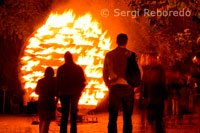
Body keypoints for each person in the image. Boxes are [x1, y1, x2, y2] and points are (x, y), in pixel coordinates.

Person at [103, 33, 141, 133]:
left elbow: (105, 72)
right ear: (126, 42)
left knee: (112, 118)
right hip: (128, 88)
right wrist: (134, 85)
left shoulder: (109, 55)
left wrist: (108, 84)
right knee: (127, 118)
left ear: (116, 42)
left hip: (114, 88)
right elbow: (138, 71)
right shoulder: (132, 55)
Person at [57, 51, 86, 133]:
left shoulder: (61, 69)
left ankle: (63, 131)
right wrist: (79, 91)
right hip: (75, 94)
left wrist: (57, 94)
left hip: (63, 94)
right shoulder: (78, 68)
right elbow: (83, 82)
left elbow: (58, 83)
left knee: (64, 115)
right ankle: (73, 131)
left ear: (65, 58)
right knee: (73, 114)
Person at [142, 53, 167, 133]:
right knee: (150, 118)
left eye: (153, 58)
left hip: (158, 97)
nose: (151, 60)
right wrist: (144, 95)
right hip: (150, 97)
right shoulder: (147, 69)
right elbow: (144, 82)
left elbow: (162, 83)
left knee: (158, 119)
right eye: (150, 58)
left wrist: (164, 97)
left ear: (156, 59)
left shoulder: (160, 69)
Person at [35, 67, 57, 133]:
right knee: (47, 121)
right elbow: (56, 91)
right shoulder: (54, 81)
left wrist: (42, 93)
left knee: (42, 120)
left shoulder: (40, 81)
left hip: (41, 102)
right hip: (50, 103)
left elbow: (36, 91)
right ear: (52, 73)